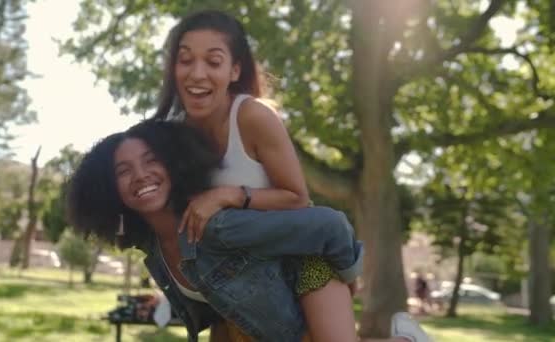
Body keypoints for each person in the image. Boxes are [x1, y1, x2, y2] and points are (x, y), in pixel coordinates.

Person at [152, 9, 430, 342]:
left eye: (213, 62)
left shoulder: (252, 116)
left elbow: (298, 198)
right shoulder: (173, 137)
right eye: (185, 60)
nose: (197, 73)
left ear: (234, 70)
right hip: (239, 282)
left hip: (304, 263)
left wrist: (228, 195)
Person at [67, 120, 430, 342]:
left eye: (150, 161)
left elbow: (329, 225)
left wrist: (350, 278)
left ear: (172, 166)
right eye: (123, 171)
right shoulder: (152, 249)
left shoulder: (214, 224)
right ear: (108, 189)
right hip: (264, 321)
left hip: (310, 274)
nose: (141, 175)